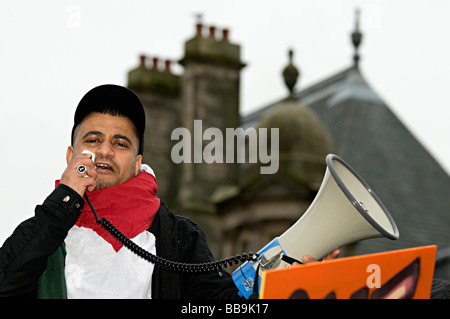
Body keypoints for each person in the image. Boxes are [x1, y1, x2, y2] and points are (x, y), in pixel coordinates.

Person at [0, 84, 338, 299]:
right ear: (71, 157)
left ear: (137, 162)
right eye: (93, 140)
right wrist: (64, 203)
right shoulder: (48, 230)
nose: (104, 150)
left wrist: (289, 286)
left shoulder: (178, 237)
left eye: (120, 143)